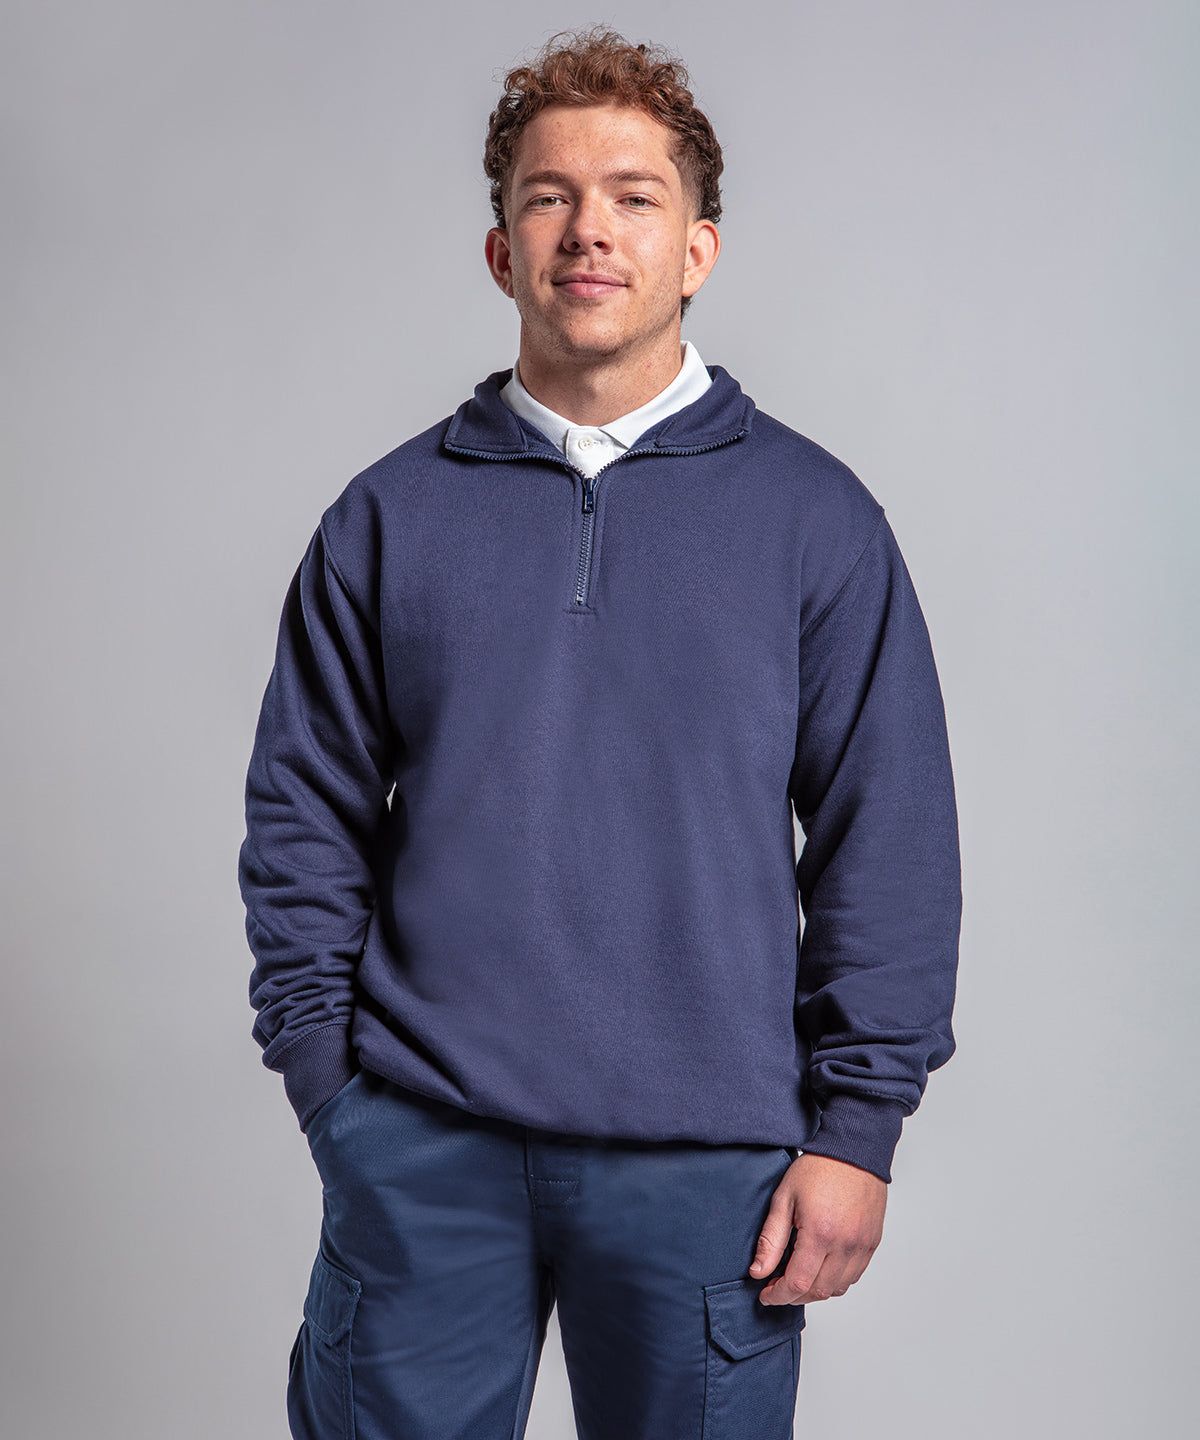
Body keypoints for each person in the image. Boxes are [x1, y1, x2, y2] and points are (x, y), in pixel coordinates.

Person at [238, 26, 961, 1440]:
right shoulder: (388, 518)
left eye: (634, 197)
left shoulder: (815, 521)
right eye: (549, 197)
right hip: (425, 1141)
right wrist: (333, 1090)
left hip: (710, 1166)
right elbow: (301, 816)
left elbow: (889, 837)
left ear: (696, 249)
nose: (589, 230)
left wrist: (858, 1131)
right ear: (501, 250)